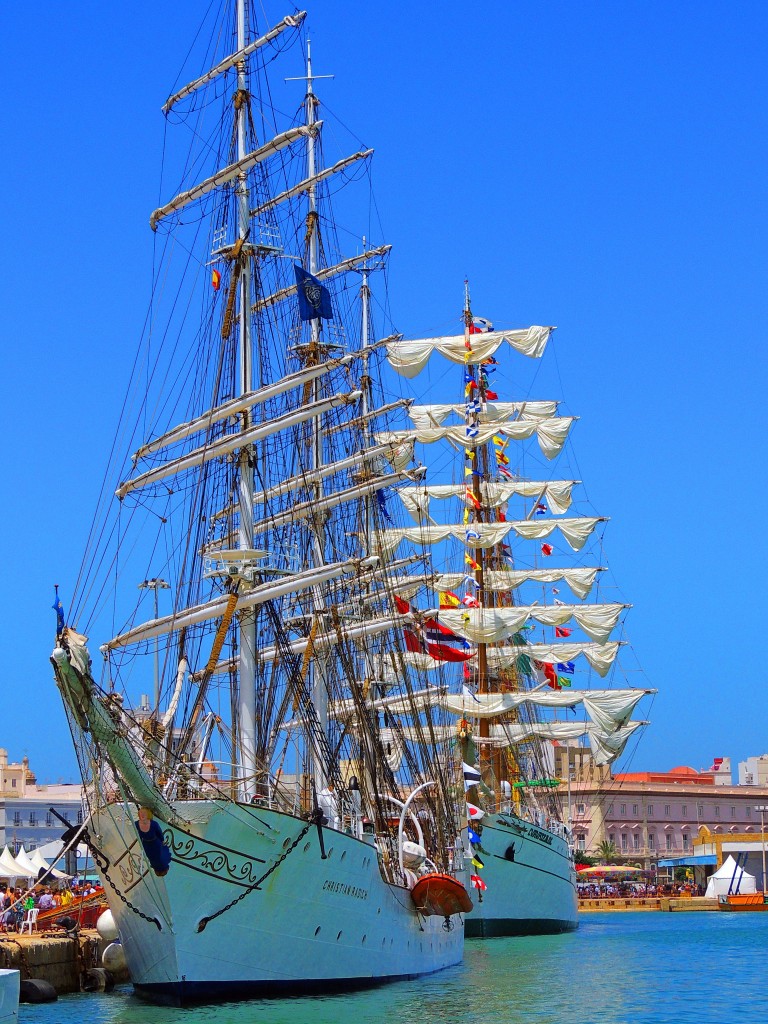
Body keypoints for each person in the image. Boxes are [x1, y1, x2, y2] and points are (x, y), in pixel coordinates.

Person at [135, 807, 172, 876]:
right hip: (155, 842)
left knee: (153, 856)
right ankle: (161, 868)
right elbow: (159, 833)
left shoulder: (137, 824)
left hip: (146, 843)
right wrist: (162, 840)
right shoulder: (153, 824)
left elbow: (139, 834)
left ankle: (159, 868)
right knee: (160, 854)